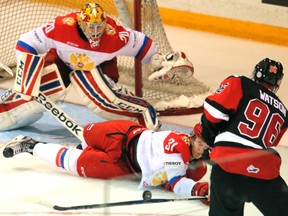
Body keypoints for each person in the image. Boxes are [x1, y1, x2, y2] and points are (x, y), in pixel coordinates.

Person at [0, 2, 193, 132]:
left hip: (98, 67)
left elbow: (142, 43)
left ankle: (143, 115)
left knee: (101, 101)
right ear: (80, 22)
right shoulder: (61, 27)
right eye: (90, 26)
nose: (95, 31)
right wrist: (26, 75)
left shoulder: (114, 35)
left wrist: (156, 61)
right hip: (62, 62)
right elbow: (26, 43)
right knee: (33, 95)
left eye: (98, 26)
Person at [3, 119, 210, 204]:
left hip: (123, 164)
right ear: (191, 137)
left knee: (76, 163)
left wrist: (193, 187)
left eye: (205, 146)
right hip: (123, 133)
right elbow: (177, 181)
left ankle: (30, 146)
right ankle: (84, 147)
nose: (201, 149)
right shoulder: (179, 151)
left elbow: (174, 180)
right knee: (86, 135)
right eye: (200, 143)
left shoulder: (181, 155)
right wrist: (196, 190)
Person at [200, 58, 288, 215]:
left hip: (228, 167)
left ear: (256, 73)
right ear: (277, 83)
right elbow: (268, 142)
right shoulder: (284, 113)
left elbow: (213, 113)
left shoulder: (240, 82)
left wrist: (210, 142)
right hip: (264, 174)